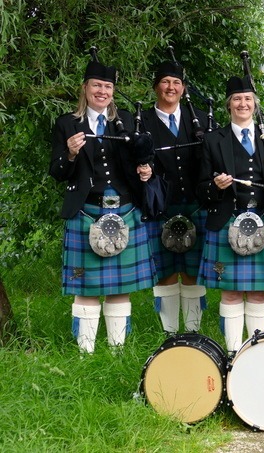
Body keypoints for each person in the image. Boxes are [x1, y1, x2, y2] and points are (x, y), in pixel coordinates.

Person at [49, 60, 158, 353]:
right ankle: (86, 353)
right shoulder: (66, 124)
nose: (102, 91)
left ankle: (116, 351)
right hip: (86, 211)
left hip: (125, 209)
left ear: (113, 91)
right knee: (86, 288)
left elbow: (145, 158)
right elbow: (57, 172)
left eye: (108, 87)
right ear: (85, 88)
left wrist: (146, 171)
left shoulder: (124, 121)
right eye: (97, 85)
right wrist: (70, 153)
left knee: (120, 288)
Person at [196, 76, 264, 356]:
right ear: (228, 105)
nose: (242, 104)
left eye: (247, 99)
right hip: (227, 220)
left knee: (257, 292)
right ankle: (233, 354)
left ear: (255, 105)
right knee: (231, 293)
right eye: (237, 99)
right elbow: (200, 188)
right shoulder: (212, 140)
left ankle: (257, 352)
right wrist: (215, 186)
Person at [141, 60, 208, 335]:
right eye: (166, 82)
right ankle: (170, 333)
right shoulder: (141, 122)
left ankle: (192, 333)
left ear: (183, 88)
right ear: (156, 86)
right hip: (160, 206)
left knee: (192, 272)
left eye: (176, 83)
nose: (171, 87)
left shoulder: (200, 119)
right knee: (166, 272)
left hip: (195, 203)